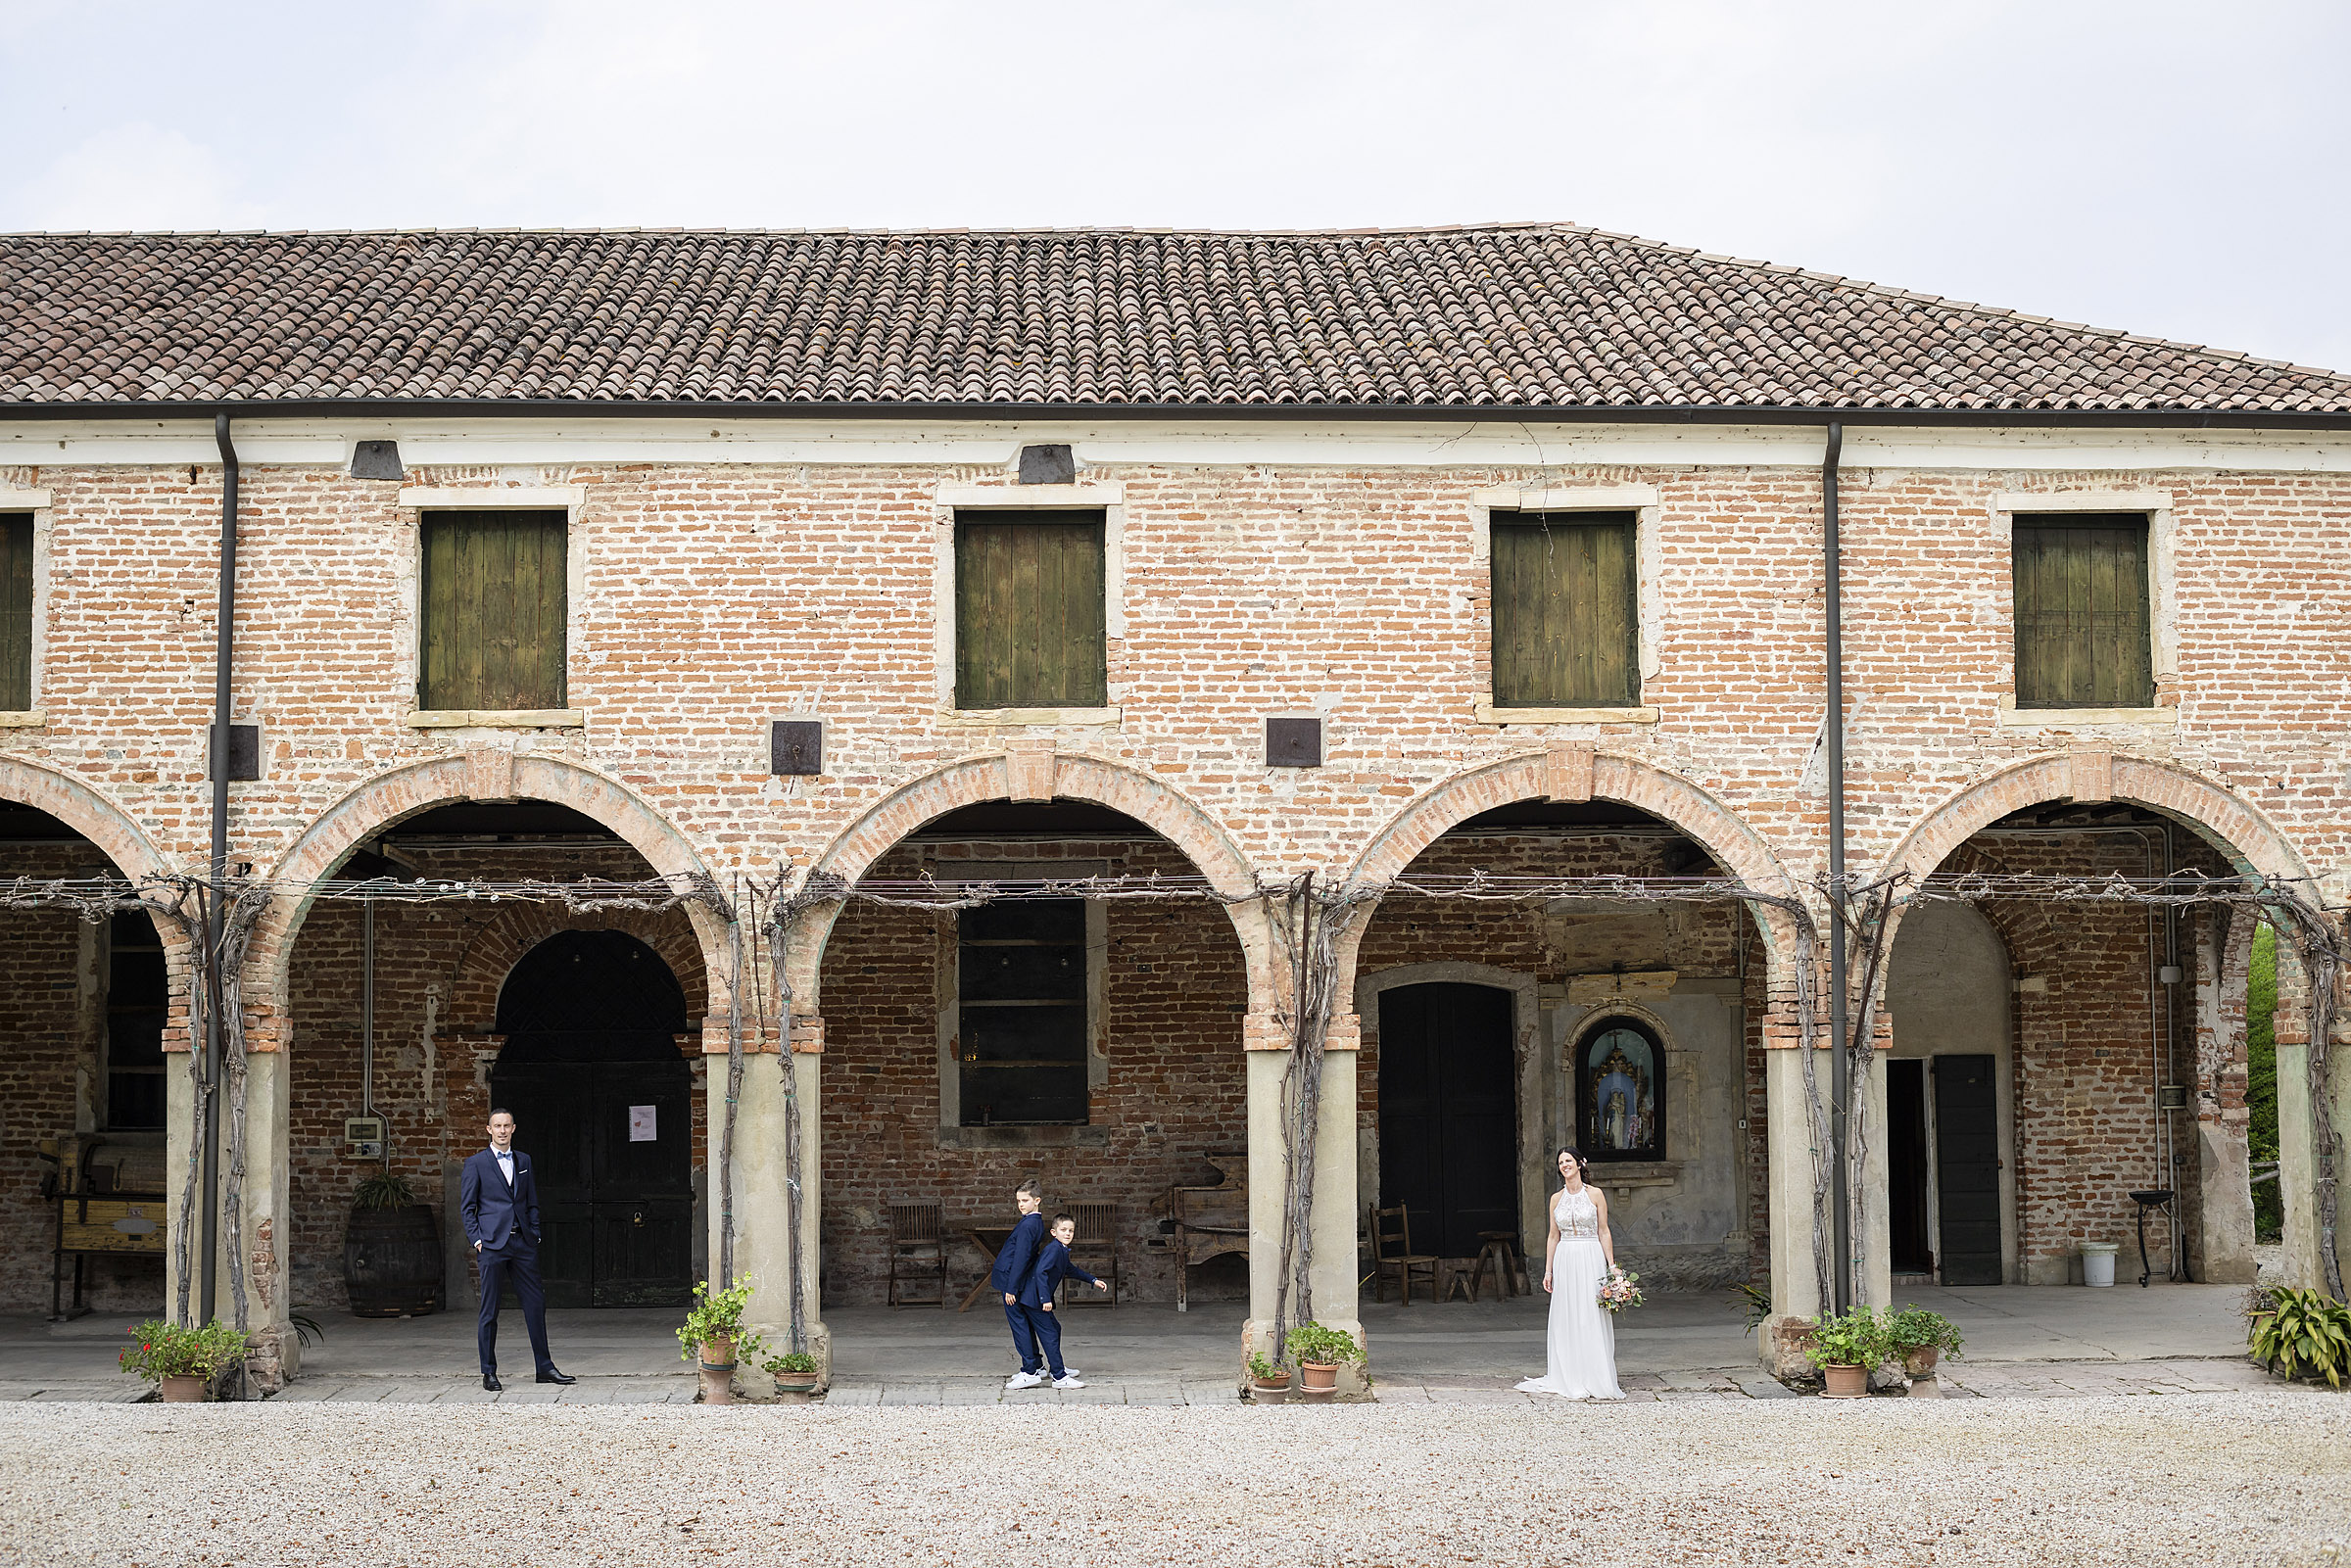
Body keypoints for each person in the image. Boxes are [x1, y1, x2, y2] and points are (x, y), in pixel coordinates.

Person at [458, 1109, 574, 1392]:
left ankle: (544, 1367)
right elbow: (468, 1208)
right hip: (492, 1245)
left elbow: (531, 1200)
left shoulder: (524, 1160)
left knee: (535, 1304)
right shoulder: (476, 1163)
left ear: (513, 1128)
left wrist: (534, 1233)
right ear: (489, 1129)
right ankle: (489, 1372)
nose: (502, 1131)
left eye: (506, 1126)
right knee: (490, 1309)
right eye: (497, 1126)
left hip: (522, 1243)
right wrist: (477, 1240)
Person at [1514, 1145, 1624, 1400]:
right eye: (1560, 1162)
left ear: (1579, 1163)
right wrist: (1548, 1270)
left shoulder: (1595, 1194)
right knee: (1567, 1314)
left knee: (1589, 1313)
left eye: (1568, 1161)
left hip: (1590, 1255)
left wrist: (1612, 1267)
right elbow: (1553, 1236)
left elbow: (1604, 1231)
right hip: (1565, 1256)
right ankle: (1569, 1375)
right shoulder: (1556, 1198)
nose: (1564, 1165)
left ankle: (1594, 1375)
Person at [1015, 1212, 1110, 1390]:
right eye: (1063, 1230)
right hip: (1035, 1299)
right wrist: (1044, 1299)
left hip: (1035, 1298)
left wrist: (1093, 1280)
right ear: (1054, 1232)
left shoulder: (1061, 1249)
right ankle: (1059, 1376)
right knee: (1050, 1334)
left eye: (1071, 1231)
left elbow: (1070, 1270)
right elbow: (1040, 1272)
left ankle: (1055, 1368)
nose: (1067, 1233)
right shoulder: (1054, 1249)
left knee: (1055, 1329)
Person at [990, 1177, 1052, 1391]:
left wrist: (1011, 1287)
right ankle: (1036, 1365)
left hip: (1012, 1280)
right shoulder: (1034, 1222)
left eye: (1025, 1200)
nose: (1021, 1205)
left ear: (1037, 1200)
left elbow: (1021, 1258)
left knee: (1019, 1325)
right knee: (1024, 1323)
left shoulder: (1028, 1225)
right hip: (1015, 1279)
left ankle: (1030, 1371)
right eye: (1018, 1201)